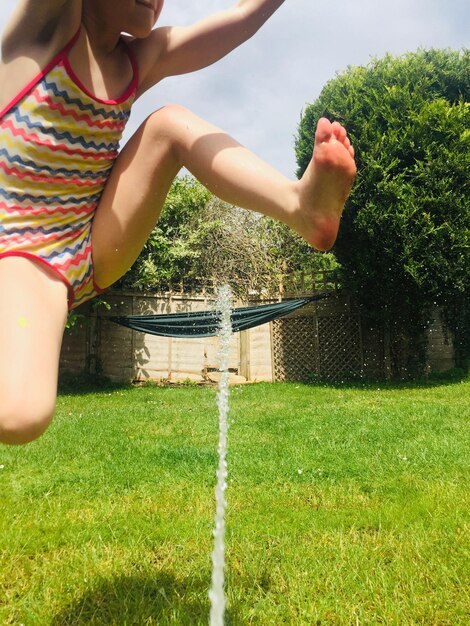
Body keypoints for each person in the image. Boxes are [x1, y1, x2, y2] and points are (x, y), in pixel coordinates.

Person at [0, 0, 356, 445]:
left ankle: (301, 206)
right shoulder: (43, 31)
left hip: (92, 245)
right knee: (19, 414)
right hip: (16, 249)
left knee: (170, 125)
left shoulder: (139, 59)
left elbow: (237, 20)